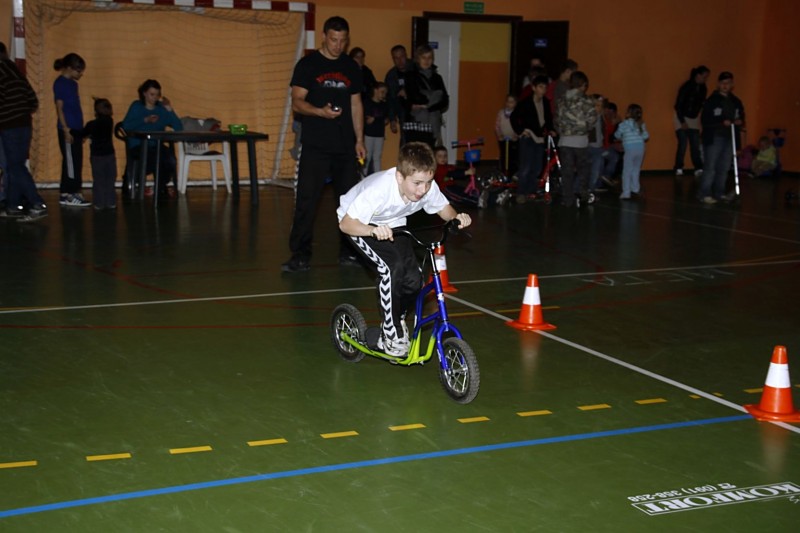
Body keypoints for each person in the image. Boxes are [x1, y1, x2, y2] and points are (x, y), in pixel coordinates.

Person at [337, 142, 472, 357]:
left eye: (428, 182)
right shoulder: (379, 190)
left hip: (394, 223)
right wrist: (372, 231)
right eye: (417, 183)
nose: (422, 190)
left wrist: (457, 217)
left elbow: (443, 208)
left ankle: (396, 319)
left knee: (414, 280)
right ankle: (390, 334)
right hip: (360, 223)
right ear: (400, 177)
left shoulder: (425, 187)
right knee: (392, 269)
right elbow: (346, 224)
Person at [282, 16, 366, 273]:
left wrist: (359, 140)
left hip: (345, 147)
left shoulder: (351, 66)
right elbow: (297, 102)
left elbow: (356, 104)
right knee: (306, 201)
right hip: (315, 146)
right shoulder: (308, 65)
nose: (338, 45)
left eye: (342, 41)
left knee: (350, 203)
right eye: (333, 39)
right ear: (323, 36)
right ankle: (300, 255)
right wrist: (320, 112)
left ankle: (349, 251)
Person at [0, 41, 47, 220]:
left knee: (15, 166)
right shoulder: (15, 71)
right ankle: (13, 205)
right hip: (25, 124)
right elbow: (33, 100)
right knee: (16, 165)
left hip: (8, 126)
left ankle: (37, 203)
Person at [121, 79, 183, 199]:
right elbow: (126, 125)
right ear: (144, 93)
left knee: (170, 160)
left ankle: (160, 186)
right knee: (155, 159)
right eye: (152, 94)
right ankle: (148, 184)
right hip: (138, 146)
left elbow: (178, 127)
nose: (154, 98)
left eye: (157, 95)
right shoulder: (136, 106)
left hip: (156, 145)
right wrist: (144, 120)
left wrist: (169, 109)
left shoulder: (161, 109)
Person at [698, 71, 745, 204]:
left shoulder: (736, 102)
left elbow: (741, 118)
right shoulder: (711, 101)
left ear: (732, 85)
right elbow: (705, 120)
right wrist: (721, 122)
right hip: (714, 137)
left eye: (728, 83)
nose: (725, 85)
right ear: (718, 84)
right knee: (710, 166)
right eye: (723, 83)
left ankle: (719, 192)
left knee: (724, 167)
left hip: (730, 137)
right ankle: (704, 193)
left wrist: (739, 122)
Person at [554, 70, 597, 207]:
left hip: (564, 140)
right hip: (580, 141)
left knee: (567, 172)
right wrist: (584, 128)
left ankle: (568, 199)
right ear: (583, 84)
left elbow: (556, 119)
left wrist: (563, 131)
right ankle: (583, 195)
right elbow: (592, 119)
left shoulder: (561, 100)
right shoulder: (586, 100)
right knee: (583, 170)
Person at [53, 52, 90, 207]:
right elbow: (60, 108)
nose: (80, 74)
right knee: (70, 163)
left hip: (76, 128)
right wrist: (65, 129)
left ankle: (71, 191)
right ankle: (69, 193)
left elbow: (75, 108)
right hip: (67, 128)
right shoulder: (60, 83)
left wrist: (81, 131)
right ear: (69, 68)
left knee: (76, 160)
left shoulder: (74, 84)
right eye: (78, 71)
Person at [510, 75, 552, 203]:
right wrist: (521, 131)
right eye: (540, 87)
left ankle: (531, 191)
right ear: (534, 88)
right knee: (526, 166)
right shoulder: (526, 103)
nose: (543, 90)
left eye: (545, 87)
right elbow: (513, 117)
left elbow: (548, 118)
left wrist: (551, 129)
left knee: (537, 167)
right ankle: (521, 192)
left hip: (540, 138)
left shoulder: (545, 102)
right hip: (528, 137)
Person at [405, 44, 449, 147]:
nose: (427, 60)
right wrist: (435, 96)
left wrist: (428, 105)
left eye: (429, 57)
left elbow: (445, 101)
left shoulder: (437, 78)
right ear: (417, 59)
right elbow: (415, 96)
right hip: (417, 121)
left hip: (434, 122)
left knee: (433, 150)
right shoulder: (411, 75)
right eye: (423, 57)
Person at [673, 65, 709, 177]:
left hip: (694, 117)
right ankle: (679, 167)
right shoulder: (686, 87)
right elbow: (678, 105)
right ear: (698, 75)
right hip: (682, 116)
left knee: (695, 144)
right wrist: (682, 121)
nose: (705, 79)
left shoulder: (703, 88)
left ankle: (698, 167)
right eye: (704, 76)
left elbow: (702, 104)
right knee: (683, 144)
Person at [82, 98, 117, 210]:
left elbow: (83, 133)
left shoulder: (91, 124)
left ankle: (99, 202)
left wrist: (71, 132)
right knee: (110, 179)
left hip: (97, 156)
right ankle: (111, 201)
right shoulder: (109, 121)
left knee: (99, 180)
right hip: (109, 154)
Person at [615, 104, 649, 199]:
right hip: (641, 149)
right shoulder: (641, 124)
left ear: (628, 113)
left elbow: (617, 135)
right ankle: (635, 188)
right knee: (636, 169)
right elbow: (646, 136)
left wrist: (622, 137)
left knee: (627, 171)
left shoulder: (623, 124)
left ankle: (626, 192)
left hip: (630, 149)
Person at [384, 44, 411, 143]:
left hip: (420, 112)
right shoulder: (391, 76)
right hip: (403, 112)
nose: (400, 60)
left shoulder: (416, 68)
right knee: (405, 140)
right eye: (396, 58)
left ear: (406, 55)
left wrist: (408, 90)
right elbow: (390, 99)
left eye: (402, 56)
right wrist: (392, 119)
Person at [363, 82, 389, 175]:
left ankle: (378, 177)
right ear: (375, 90)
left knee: (377, 157)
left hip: (379, 134)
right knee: (367, 156)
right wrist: (377, 119)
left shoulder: (384, 105)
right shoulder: (367, 103)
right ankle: (363, 177)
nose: (384, 95)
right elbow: (367, 120)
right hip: (368, 134)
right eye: (382, 92)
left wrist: (376, 118)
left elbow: (385, 119)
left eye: (385, 93)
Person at [494, 94, 519, 178]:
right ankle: (503, 172)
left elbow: (519, 126)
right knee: (504, 155)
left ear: (515, 103)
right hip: (503, 138)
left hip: (513, 138)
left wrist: (516, 135)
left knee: (513, 157)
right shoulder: (501, 113)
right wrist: (499, 135)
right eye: (508, 101)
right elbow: (497, 126)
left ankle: (513, 174)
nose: (509, 104)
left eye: (511, 102)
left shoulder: (517, 114)